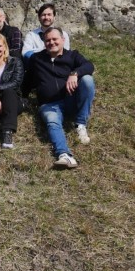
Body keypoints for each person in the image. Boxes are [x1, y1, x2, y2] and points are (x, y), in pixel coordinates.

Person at [26, 28, 95, 169]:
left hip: (70, 99)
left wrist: (75, 73)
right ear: (44, 43)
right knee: (52, 122)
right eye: (48, 40)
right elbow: (27, 80)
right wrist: (22, 97)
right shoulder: (36, 59)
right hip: (49, 104)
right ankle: (64, 155)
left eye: (55, 39)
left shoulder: (73, 55)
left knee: (87, 80)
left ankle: (80, 124)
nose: (51, 42)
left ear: (63, 40)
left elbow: (89, 66)